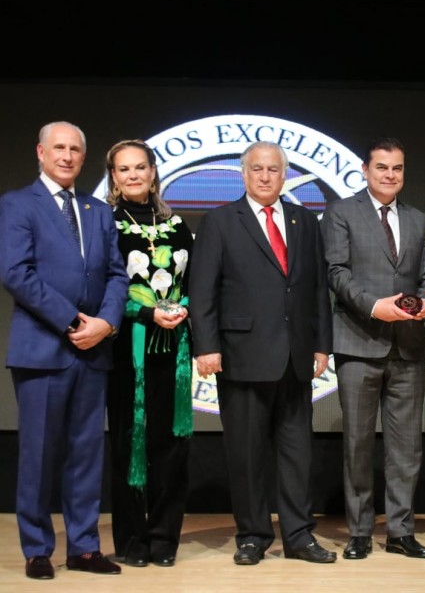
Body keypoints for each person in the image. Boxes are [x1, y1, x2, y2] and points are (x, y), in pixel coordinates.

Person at [189, 141, 336, 565]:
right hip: (240, 355)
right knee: (247, 453)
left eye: (274, 169)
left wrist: (323, 343)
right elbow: (203, 290)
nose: (266, 176)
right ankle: (252, 536)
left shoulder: (305, 221)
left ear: (284, 174)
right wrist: (207, 346)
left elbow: (315, 289)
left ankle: (299, 536)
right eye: (258, 169)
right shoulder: (219, 221)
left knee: (296, 453)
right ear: (244, 174)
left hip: (295, 357)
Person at [0, 121, 129, 579]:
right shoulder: (17, 204)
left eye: (75, 149)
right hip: (43, 350)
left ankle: (84, 547)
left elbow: (117, 274)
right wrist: (74, 321)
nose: (68, 156)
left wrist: (107, 323)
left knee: (85, 454)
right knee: (38, 454)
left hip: (93, 351)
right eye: (59, 147)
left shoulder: (98, 209)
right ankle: (37, 550)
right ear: (40, 151)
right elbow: (16, 273)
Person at [321, 136, 425, 560]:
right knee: (357, 444)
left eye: (398, 168)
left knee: (406, 446)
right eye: (382, 167)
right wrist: (374, 306)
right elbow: (335, 271)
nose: (390, 175)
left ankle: (401, 531)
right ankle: (359, 532)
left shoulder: (418, 219)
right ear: (366, 171)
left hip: (408, 346)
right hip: (358, 341)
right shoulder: (341, 212)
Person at [104, 139, 194, 568]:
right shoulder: (105, 222)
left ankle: (164, 539)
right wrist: (143, 313)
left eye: (140, 167)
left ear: (153, 172)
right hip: (127, 352)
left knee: (171, 447)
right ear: (114, 177)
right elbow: (100, 287)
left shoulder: (176, 224)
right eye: (124, 169)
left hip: (173, 352)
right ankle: (131, 540)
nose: (133, 175)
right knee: (130, 445)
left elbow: (194, 282)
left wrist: (183, 309)